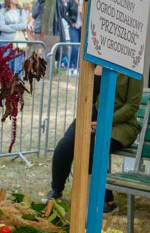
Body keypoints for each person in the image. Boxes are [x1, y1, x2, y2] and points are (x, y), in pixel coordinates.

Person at [46, 70, 142, 211]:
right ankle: (56, 190)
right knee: (65, 146)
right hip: (92, 116)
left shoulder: (132, 68)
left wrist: (107, 120)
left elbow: (132, 105)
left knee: (92, 150)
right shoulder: (92, 62)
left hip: (121, 124)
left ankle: (108, 201)